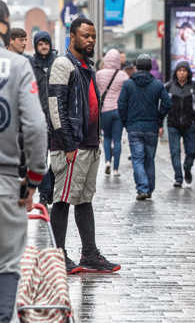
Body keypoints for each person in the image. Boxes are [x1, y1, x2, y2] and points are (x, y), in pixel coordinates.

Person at [48, 17, 121, 274]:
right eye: (85, 36)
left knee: (84, 199)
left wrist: (95, 141)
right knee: (63, 199)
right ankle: (58, 256)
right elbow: (56, 108)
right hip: (72, 146)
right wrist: (68, 144)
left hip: (89, 145)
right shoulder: (63, 64)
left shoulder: (85, 65)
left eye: (93, 36)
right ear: (72, 36)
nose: (90, 40)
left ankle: (89, 254)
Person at [0, 0, 48, 323]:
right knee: (6, 263)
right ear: (4, 24)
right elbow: (35, 127)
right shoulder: (17, 66)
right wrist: (32, 180)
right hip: (4, 180)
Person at [118, 54, 172, 200]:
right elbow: (168, 103)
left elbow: (121, 105)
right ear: (150, 67)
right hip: (152, 127)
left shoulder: (128, 84)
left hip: (134, 127)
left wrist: (126, 122)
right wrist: (159, 117)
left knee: (137, 159)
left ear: (136, 67)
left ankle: (142, 188)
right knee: (149, 159)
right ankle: (149, 189)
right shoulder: (157, 84)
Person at [162, 61, 195, 187]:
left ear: (188, 72)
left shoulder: (194, 87)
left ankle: (187, 168)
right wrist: (160, 123)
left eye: (184, 70)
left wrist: (194, 120)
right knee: (175, 152)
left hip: (189, 124)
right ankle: (178, 178)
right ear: (176, 72)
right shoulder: (169, 86)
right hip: (173, 124)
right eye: (179, 70)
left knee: (191, 151)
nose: (181, 73)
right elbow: (163, 104)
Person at [30, 31, 58, 206]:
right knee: (41, 158)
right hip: (38, 117)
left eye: (46, 43)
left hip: (56, 117)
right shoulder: (30, 64)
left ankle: (50, 188)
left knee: (56, 159)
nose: (44, 46)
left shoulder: (58, 62)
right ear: (35, 45)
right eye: (40, 44)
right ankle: (44, 192)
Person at [96, 49, 129, 177]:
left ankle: (107, 162)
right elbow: (126, 93)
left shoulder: (99, 74)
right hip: (118, 111)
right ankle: (116, 169)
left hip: (104, 110)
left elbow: (97, 90)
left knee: (107, 137)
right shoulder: (123, 75)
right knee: (117, 140)